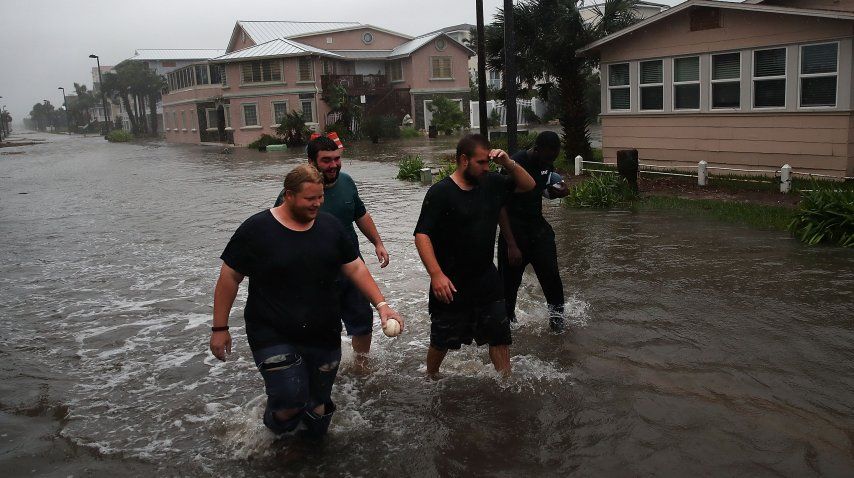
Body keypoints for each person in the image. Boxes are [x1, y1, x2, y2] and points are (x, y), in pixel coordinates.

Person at [211, 164, 403, 439]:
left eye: (320, 197)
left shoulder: (330, 227)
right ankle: (278, 440)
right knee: (290, 401)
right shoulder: (257, 229)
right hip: (271, 330)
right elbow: (230, 276)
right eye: (309, 199)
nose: (317, 204)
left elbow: (355, 268)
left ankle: (310, 448)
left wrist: (382, 306)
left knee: (319, 405)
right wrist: (220, 328)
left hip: (322, 331)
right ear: (288, 195)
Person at [414, 134, 535, 379]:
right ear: (463, 160)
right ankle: (431, 378)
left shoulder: (491, 182)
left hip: (486, 278)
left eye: (487, 162)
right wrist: (436, 275)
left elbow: (528, 185)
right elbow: (421, 235)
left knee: (499, 337)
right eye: (480, 162)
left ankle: (505, 383)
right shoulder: (440, 192)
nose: (486, 167)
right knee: (442, 341)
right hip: (450, 282)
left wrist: (508, 163)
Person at [274, 136, 389, 370]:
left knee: (363, 321)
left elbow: (360, 214)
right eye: (326, 160)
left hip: (352, 268)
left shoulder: (347, 183)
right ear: (310, 162)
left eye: (337, 159)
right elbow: (277, 230)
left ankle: (360, 365)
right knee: (320, 327)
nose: (333, 165)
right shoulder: (294, 195)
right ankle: (321, 368)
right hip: (314, 276)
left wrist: (377, 242)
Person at [497, 131, 570, 332]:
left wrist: (559, 193)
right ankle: (507, 332)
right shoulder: (514, 164)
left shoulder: (546, 161)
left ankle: (558, 330)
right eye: (547, 157)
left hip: (538, 232)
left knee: (553, 282)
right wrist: (511, 244)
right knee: (508, 290)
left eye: (553, 158)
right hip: (514, 234)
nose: (549, 162)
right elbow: (500, 205)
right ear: (536, 150)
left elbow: (542, 190)